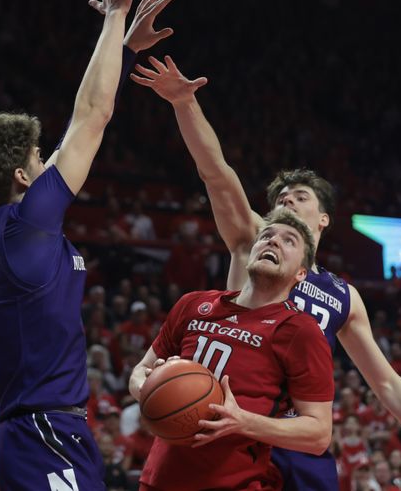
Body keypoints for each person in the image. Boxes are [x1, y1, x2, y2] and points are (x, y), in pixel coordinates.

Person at [131, 56, 401, 489]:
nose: (286, 202)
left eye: (299, 197)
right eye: (280, 198)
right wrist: (185, 104)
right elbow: (215, 172)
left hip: (294, 435)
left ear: (323, 220)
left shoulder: (342, 295)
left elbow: (387, 383)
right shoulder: (252, 241)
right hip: (233, 420)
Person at [0, 0, 171, 491]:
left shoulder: (7, 226)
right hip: (40, 433)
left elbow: (79, 132)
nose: (51, 161)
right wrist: (116, 18)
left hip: (45, 430)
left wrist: (120, 51)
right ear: (25, 181)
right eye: (39, 161)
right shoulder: (28, 225)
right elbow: (90, 118)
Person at [129, 210, 335, 490]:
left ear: (301, 273)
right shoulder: (193, 304)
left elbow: (319, 435)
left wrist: (243, 422)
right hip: (160, 479)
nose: (273, 242)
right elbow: (139, 372)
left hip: (234, 482)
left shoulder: (300, 330)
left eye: (288, 241)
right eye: (266, 236)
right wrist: (155, 387)